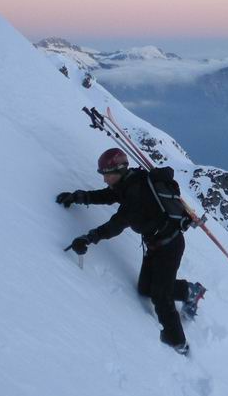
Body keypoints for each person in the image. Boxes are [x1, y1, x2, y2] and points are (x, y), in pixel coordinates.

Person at [57, 148, 206, 355]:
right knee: (145, 289)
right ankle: (190, 291)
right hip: (155, 244)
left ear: (119, 170)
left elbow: (115, 226)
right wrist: (79, 197)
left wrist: (88, 238)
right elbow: (108, 195)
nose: (104, 178)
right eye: (103, 174)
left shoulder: (136, 196)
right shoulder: (129, 181)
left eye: (107, 174)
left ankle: (178, 344)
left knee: (160, 297)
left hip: (170, 246)